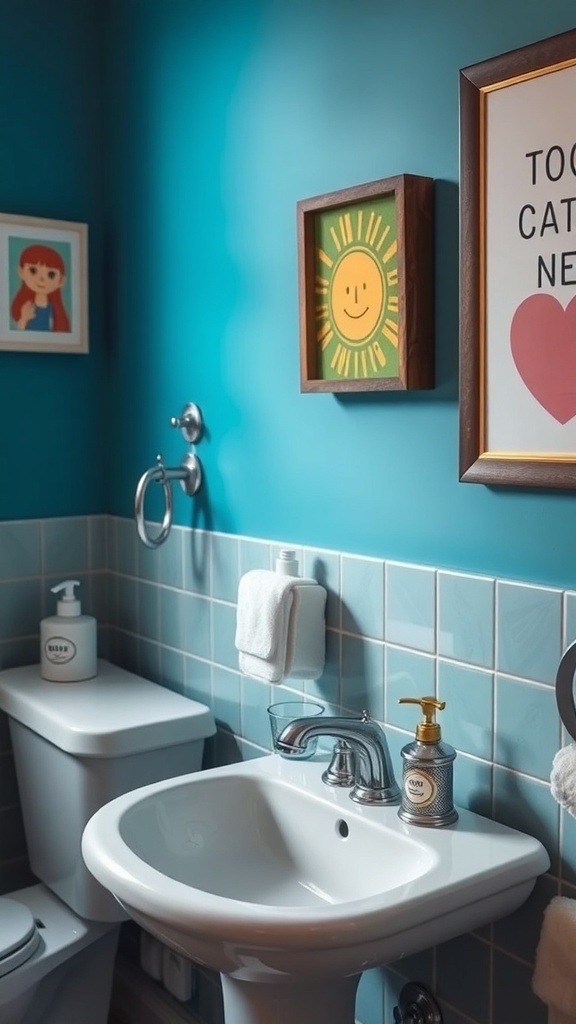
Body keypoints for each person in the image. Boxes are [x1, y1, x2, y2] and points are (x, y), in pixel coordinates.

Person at [11, 243, 70, 332]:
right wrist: (24, 319)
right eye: (33, 271)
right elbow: (19, 331)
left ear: (61, 281)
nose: (41, 280)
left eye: (51, 274)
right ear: (21, 272)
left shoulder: (54, 311)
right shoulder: (27, 307)